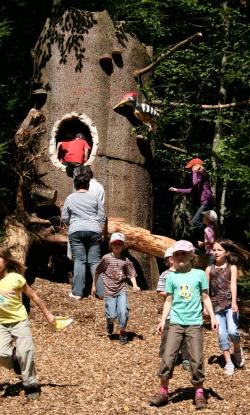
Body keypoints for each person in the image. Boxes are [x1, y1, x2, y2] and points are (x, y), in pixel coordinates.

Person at [150, 240, 218, 410]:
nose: (180, 256)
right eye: (177, 254)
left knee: (196, 359)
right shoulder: (171, 277)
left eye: (184, 253)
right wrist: (162, 320)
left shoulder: (199, 274)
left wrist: (213, 317)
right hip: (175, 323)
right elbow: (168, 300)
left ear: (191, 255)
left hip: (194, 324)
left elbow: (205, 297)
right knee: (168, 358)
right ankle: (163, 392)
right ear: (173, 257)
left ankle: (199, 393)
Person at [0, 247, 55, 399]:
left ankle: (30, 383)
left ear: (5, 260)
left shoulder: (15, 278)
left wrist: (48, 314)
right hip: (1, 323)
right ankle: (15, 359)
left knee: (25, 352)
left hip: (19, 321)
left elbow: (33, 296)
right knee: (1, 353)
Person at [205, 239, 249, 375]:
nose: (216, 252)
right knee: (222, 334)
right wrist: (205, 307)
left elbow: (233, 285)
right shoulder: (208, 269)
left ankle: (237, 350)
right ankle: (229, 362)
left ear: (227, 252)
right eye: (214, 250)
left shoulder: (232, 267)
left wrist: (235, 302)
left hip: (230, 305)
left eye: (219, 250)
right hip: (216, 307)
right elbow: (205, 290)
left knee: (232, 331)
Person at [61, 170, 106, 299]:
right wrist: (99, 228)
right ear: (88, 185)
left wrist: (73, 224)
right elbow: (102, 217)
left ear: (75, 185)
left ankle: (77, 293)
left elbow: (64, 217)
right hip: (94, 230)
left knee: (80, 261)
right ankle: (101, 292)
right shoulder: (95, 198)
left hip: (76, 231)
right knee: (95, 261)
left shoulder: (70, 198)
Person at [91, 232, 140, 344]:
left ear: (123, 246)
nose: (117, 245)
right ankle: (110, 322)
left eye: (120, 243)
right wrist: (93, 285)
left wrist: (135, 285)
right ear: (111, 245)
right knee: (112, 315)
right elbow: (98, 271)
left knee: (123, 312)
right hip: (109, 291)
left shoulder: (126, 261)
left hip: (122, 289)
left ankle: (122, 332)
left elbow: (131, 274)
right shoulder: (106, 258)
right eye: (115, 243)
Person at [157, 246, 190, 370]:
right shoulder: (165, 274)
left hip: (185, 310)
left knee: (185, 334)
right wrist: (171, 292)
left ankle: (186, 358)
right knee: (167, 333)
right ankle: (166, 355)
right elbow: (160, 290)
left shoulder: (185, 273)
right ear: (171, 259)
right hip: (170, 311)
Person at [169, 158, 215, 240]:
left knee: (195, 221)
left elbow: (194, 183)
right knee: (205, 222)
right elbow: (191, 190)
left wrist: (195, 171)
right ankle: (209, 239)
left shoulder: (202, 174)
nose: (190, 169)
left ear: (196, 166)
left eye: (191, 167)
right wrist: (177, 189)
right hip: (206, 202)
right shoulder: (200, 176)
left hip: (207, 201)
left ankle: (208, 236)